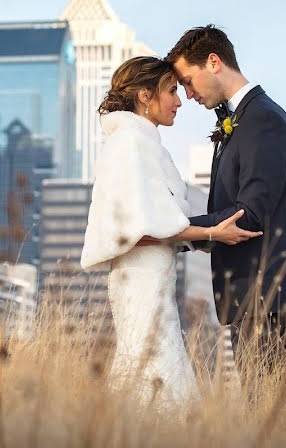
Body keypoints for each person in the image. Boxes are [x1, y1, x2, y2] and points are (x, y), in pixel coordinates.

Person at [81, 55, 261, 410]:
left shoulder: (143, 143)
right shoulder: (130, 144)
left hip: (154, 281)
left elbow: (156, 223)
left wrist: (199, 234)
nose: (179, 101)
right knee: (153, 375)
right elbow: (138, 230)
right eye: (171, 91)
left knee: (156, 371)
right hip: (141, 281)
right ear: (145, 96)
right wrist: (211, 234)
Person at [165, 24, 286, 393]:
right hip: (253, 297)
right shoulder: (241, 120)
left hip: (273, 296)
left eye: (187, 81)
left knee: (267, 419)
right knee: (258, 415)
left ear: (213, 62)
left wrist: (174, 230)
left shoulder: (262, 118)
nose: (187, 94)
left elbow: (248, 216)